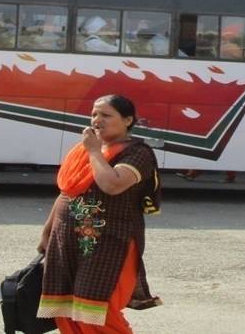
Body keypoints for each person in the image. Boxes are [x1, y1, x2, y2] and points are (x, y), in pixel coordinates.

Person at [38, 94, 161, 332]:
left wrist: (94, 152)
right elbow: (67, 191)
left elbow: (111, 184)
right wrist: (47, 231)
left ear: (127, 120)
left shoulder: (137, 153)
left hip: (111, 244)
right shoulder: (84, 150)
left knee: (96, 312)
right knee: (64, 310)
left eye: (106, 115)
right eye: (94, 114)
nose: (97, 120)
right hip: (68, 241)